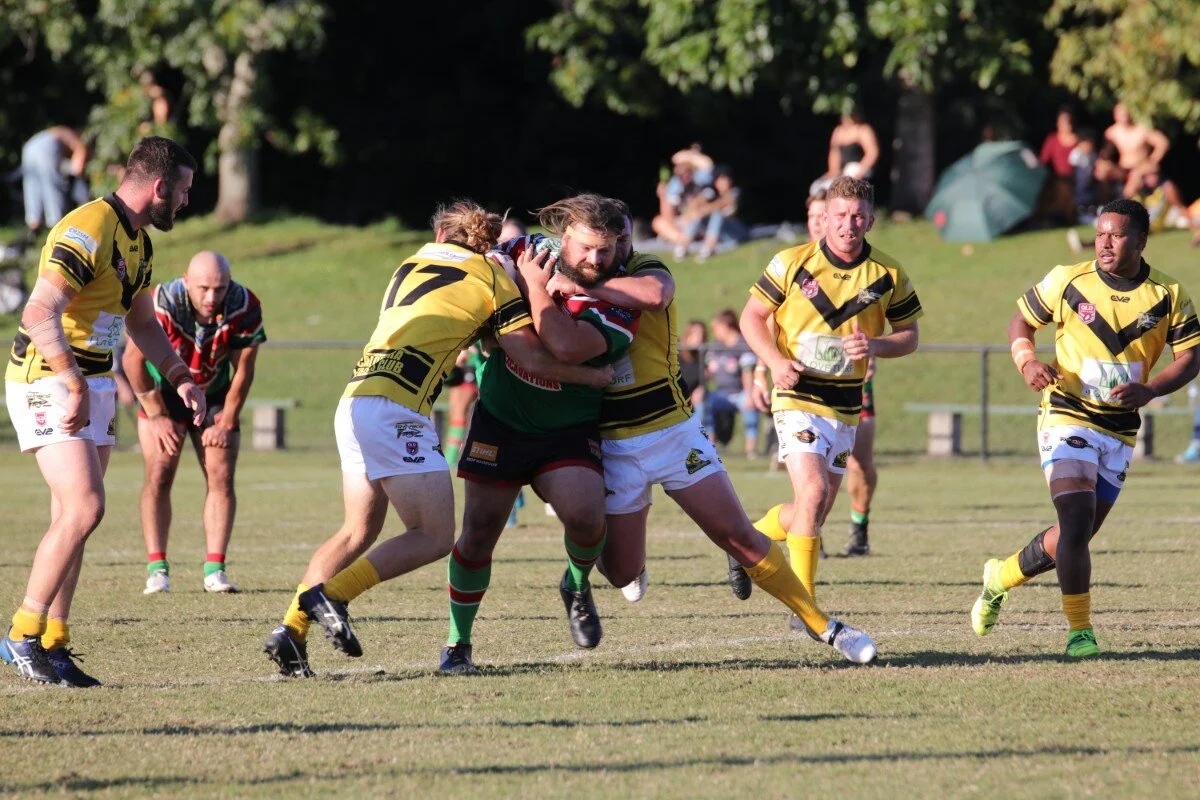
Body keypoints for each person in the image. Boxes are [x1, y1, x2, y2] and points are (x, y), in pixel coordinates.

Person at [261, 201, 612, 678]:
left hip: (356, 398)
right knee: (433, 536)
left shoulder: (412, 262)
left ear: (444, 236)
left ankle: (290, 630)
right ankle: (331, 597)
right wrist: (595, 378)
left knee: (354, 532)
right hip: (398, 407)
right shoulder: (493, 280)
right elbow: (530, 358)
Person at [546, 203, 879, 664]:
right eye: (597, 248)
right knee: (621, 570)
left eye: (619, 242)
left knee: (739, 536)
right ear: (570, 239)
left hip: (672, 433)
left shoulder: (642, 267)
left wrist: (582, 283)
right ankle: (578, 578)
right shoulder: (550, 267)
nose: (608, 255)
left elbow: (656, 294)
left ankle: (826, 627)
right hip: (612, 442)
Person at [1, 136, 201, 687]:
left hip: (92, 383)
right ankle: (20, 634)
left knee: (73, 519)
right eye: (182, 191)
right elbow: (40, 311)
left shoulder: (139, 241)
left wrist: (180, 376)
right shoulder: (89, 227)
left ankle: (54, 641)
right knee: (86, 507)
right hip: (50, 377)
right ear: (158, 187)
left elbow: (139, 322)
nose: (184, 202)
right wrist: (72, 381)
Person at [972, 198, 1200, 657]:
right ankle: (1081, 632)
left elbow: (1191, 356)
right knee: (1075, 521)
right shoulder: (1067, 279)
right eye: (1100, 234)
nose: (1105, 243)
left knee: (1075, 536)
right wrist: (1026, 361)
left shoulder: (1168, 295)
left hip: (1118, 430)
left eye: (1116, 234)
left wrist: (1151, 390)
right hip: (1066, 411)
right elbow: (1021, 320)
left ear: (1140, 240)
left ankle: (1000, 577)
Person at [439, 195, 640, 673]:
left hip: (566, 431)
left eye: (607, 251)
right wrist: (490, 309)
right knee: (477, 535)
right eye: (588, 247)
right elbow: (471, 265)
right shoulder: (527, 251)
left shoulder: (622, 297)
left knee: (588, 518)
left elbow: (566, 346)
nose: (597, 260)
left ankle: (575, 583)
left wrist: (531, 286)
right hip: (502, 421)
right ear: (564, 236)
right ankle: (457, 644)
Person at [736, 176, 922, 628]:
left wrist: (876, 346)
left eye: (857, 216)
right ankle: (806, 609)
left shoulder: (888, 274)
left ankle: (750, 537)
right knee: (814, 492)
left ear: (870, 220)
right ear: (825, 216)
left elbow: (910, 337)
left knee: (812, 510)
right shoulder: (790, 263)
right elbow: (752, 318)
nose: (847, 224)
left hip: (845, 403)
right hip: (796, 393)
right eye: (839, 215)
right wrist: (774, 361)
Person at [123, 251, 266, 595]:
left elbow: (243, 369)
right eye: (203, 288)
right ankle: (157, 570)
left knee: (221, 473)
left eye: (219, 288)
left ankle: (215, 570)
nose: (211, 297)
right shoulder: (162, 302)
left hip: (214, 393)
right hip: (165, 393)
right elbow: (132, 361)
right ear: (186, 281)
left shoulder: (244, 304)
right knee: (160, 471)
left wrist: (227, 420)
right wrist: (156, 415)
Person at [704, 308, 759, 458]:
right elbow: (706, 371)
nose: (714, 331)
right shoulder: (715, 346)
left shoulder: (742, 344)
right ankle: (709, 448)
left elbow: (748, 372)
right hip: (721, 393)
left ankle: (751, 451)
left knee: (751, 408)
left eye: (716, 327)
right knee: (705, 404)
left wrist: (749, 395)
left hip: (740, 392)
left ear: (726, 326)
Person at [21, 127, 91, 240]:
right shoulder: (75, 137)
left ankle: (33, 226)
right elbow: (79, 162)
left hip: (29, 146)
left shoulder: (58, 132)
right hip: (47, 145)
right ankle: (56, 227)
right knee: (53, 186)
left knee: (33, 188)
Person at [681, 166, 747, 262]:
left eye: (726, 179)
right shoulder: (711, 193)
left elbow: (724, 203)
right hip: (721, 236)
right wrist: (697, 207)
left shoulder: (735, 192)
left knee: (717, 214)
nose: (724, 182)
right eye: (721, 179)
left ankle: (708, 249)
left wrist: (705, 210)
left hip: (736, 234)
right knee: (697, 215)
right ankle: (683, 247)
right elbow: (694, 206)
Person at [1102, 103, 1169, 189]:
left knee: (1135, 176)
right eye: (1120, 114)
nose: (1124, 116)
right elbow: (1105, 153)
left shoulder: (1142, 129)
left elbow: (1163, 142)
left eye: (1125, 113)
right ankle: (1104, 201)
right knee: (1103, 170)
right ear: (1115, 115)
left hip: (1141, 167)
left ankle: (1126, 197)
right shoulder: (1112, 132)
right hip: (1123, 168)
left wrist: (1152, 161)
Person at [1038, 106, 1080, 225]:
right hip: (1057, 178)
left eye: (1069, 120)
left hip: (1076, 178)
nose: (1067, 124)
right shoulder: (1052, 140)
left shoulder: (1079, 140)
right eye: (1064, 121)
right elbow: (1043, 160)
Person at [820, 108, 879, 189]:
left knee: (849, 176)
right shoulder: (838, 131)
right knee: (820, 187)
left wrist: (859, 172)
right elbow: (834, 153)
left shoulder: (863, 129)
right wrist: (833, 171)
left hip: (858, 168)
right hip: (843, 172)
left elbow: (872, 153)